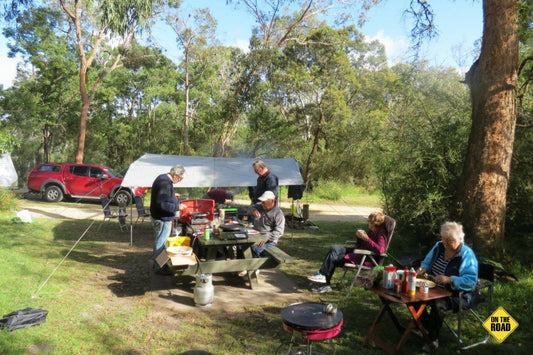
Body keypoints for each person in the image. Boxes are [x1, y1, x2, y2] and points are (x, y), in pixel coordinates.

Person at [416, 222, 478, 352]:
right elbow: (427, 261)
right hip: (434, 287)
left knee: (438, 304)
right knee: (411, 296)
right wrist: (424, 268)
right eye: (444, 239)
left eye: (450, 240)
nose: (446, 243)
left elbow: (471, 280)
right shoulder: (439, 246)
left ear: (461, 239)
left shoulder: (466, 254)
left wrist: (450, 279)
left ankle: (432, 338)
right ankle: (425, 328)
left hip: (457, 293)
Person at [307, 211, 388, 293]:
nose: (368, 223)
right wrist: (359, 237)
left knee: (333, 258)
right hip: (358, 252)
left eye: (369, 221)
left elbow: (380, 250)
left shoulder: (381, 233)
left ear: (374, 223)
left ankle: (324, 282)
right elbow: (360, 244)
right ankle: (322, 276)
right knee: (335, 248)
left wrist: (367, 239)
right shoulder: (371, 230)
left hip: (365, 258)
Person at [150, 165, 187, 274]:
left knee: (162, 241)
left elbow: (162, 197)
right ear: (175, 175)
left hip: (160, 217)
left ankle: (160, 264)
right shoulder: (165, 183)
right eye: (180, 179)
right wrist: (177, 207)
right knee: (161, 243)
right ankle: (158, 268)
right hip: (162, 219)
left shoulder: (163, 178)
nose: (180, 181)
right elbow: (162, 204)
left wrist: (172, 195)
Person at [239, 191, 285, 276]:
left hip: (269, 240)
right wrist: (253, 210)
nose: (262, 204)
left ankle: (253, 268)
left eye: (264, 202)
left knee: (254, 248)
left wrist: (265, 238)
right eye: (262, 202)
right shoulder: (260, 207)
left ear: (271, 201)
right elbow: (248, 209)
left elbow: (279, 231)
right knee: (241, 244)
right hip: (255, 235)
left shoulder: (278, 213)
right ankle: (244, 266)